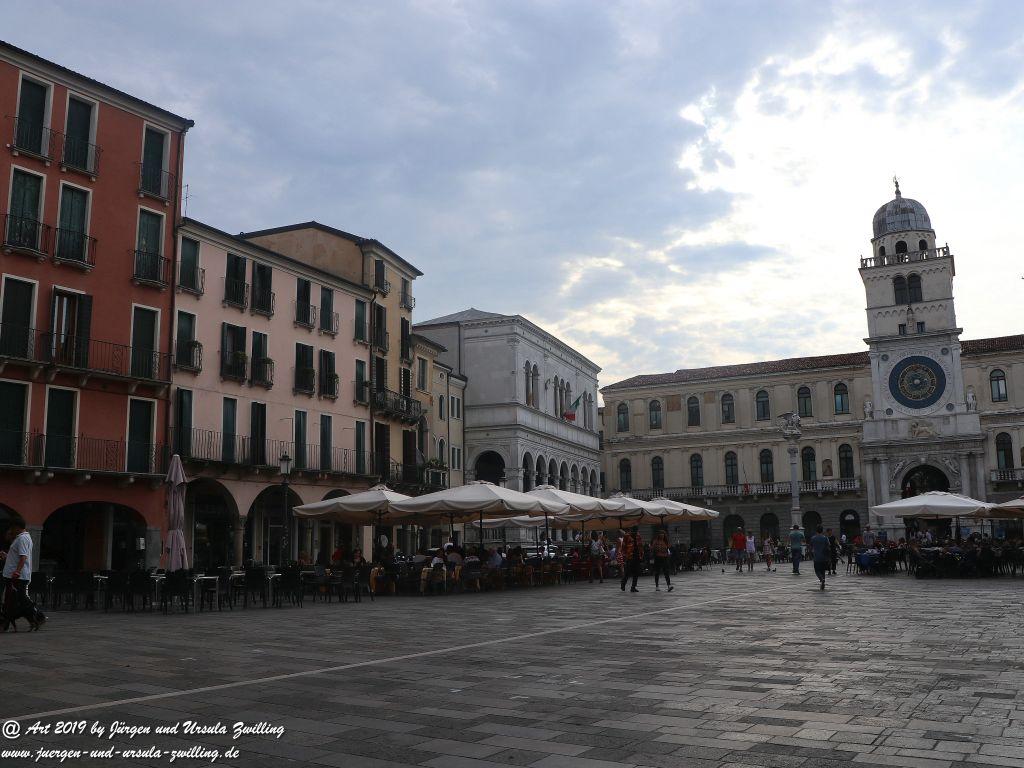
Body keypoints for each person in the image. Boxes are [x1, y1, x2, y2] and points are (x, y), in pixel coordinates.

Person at [0, 515, 44, 631]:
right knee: (12, 600)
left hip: (17, 576)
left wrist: (17, 572)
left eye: (12, 527)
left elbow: (23, 557)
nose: (11, 530)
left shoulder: (22, 538)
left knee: (22, 598)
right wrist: (7, 556)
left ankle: (39, 616)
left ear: (17, 527)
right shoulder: (21, 538)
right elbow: (17, 557)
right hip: (13, 574)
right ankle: (6, 622)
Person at [619, 527, 643, 593]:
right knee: (627, 572)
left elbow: (640, 546)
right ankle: (623, 584)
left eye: (636, 530)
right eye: (634, 530)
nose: (635, 531)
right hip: (629, 556)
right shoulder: (627, 536)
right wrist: (624, 555)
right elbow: (623, 546)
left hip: (637, 556)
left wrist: (641, 555)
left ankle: (633, 587)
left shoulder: (638, 536)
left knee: (636, 572)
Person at [809, 525, 831, 590]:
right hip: (824, 557)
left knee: (817, 570)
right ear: (822, 530)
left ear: (816, 530)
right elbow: (828, 547)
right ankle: (823, 580)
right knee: (823, 570)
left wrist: (811, 555)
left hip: (816, 557)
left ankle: (821, 579)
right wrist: (829, 557)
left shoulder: (813, 538)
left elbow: (810, 547)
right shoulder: (825, 538)